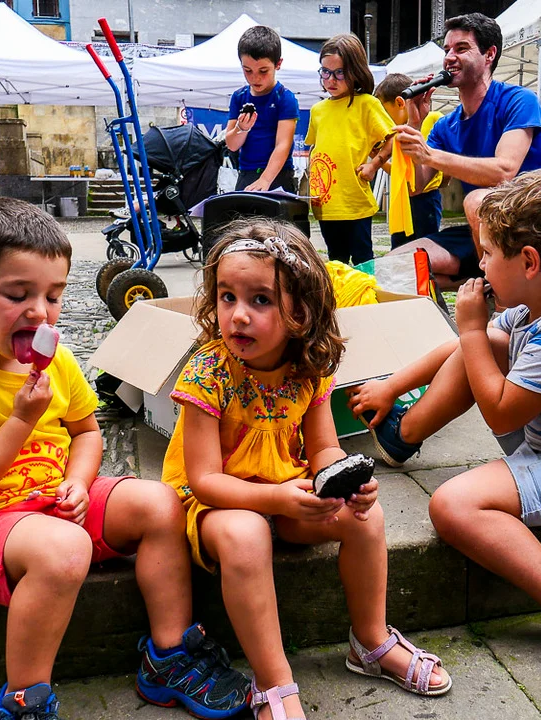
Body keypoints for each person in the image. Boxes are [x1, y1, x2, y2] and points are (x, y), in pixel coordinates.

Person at [0, 197, 250, 720]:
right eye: (18, 295)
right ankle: (25, 699)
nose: (40, 312)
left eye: (53, 295)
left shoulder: (56, 360)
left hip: (56, 504)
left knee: (160, 502)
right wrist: (20, 420)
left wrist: (81, 483)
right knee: (64, 549)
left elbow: (86, 433)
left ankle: (169, 656)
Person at [348, 171, 541, 694]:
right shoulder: (536, 307)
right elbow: (468, 351)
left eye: (486, 254)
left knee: (452, 507)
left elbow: (501, 414)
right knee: (482, 346)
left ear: (529, 262)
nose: (479, 265)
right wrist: (391, 387)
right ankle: (403, 433)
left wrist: (468, 329)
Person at [162, 218, 452, 720]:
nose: (238, 315)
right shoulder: (208, 373)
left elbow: (322, 449)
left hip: (287, 490)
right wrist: (275, 499)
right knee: (247, 533)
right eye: (227, 297)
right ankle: (274, 683)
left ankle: (371, 641)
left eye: (260, 300)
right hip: (216, 503)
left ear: (301, 311)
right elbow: (204, 481)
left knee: (366, 518)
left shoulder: (308, 368)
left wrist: (344, 480)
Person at [395, 13, 541, 287]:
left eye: (461, 48)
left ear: (490, 54)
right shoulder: (445, 125)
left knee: (477, 201)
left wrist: (430, 154)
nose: (449, 57)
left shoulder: (519, 101)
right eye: (447, 50)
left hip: (534, 221)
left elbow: (504, 171)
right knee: (399, 265)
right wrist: (415, 123)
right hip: (484, 230)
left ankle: (499, 293)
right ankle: (485, 281)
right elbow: (417, 186)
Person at [305, 34, 393, 266]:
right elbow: (315, 148)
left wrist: (374, 165)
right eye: (325, 72)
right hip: (326, 204)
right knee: (336, 261)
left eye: (339, 73)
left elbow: (393, 138)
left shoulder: (367, 104)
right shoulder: (317, 110)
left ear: (355, 71)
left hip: (355, 202)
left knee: (364, 261)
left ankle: (368, 291)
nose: (331, 80)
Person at [225, 26, 300, 193]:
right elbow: (232, 145)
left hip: (278, 174)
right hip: (247, 173)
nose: (255, 78)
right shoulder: (239, 97)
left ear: (278, 64)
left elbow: (283, 144)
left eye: (263, 71)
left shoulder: (285, 97)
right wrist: (241, 128)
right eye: (247, 71)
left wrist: (265, 179)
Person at [373, 73, 444, 248]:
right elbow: (400, 172)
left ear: (400, 103)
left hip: (425, 199)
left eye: (383, 111)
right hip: (401, 198)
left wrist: (445, 178)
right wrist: (377, 160)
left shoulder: (434, 120)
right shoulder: (397, 132)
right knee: (399, 248)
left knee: (424, 247)